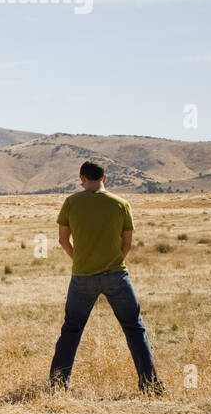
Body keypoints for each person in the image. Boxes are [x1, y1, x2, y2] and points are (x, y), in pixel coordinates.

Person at [48, 161, 164, 394]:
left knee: (71, 330)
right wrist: (112, 263)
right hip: (116, 276)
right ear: (105, 178)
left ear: (82, 178)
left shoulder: (71, 202)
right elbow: (127, 243)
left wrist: (79, 260)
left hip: (82, 277)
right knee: (134, 329)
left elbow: (62, 240)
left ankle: (58, 385)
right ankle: (149, 384)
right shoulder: (121, 204)